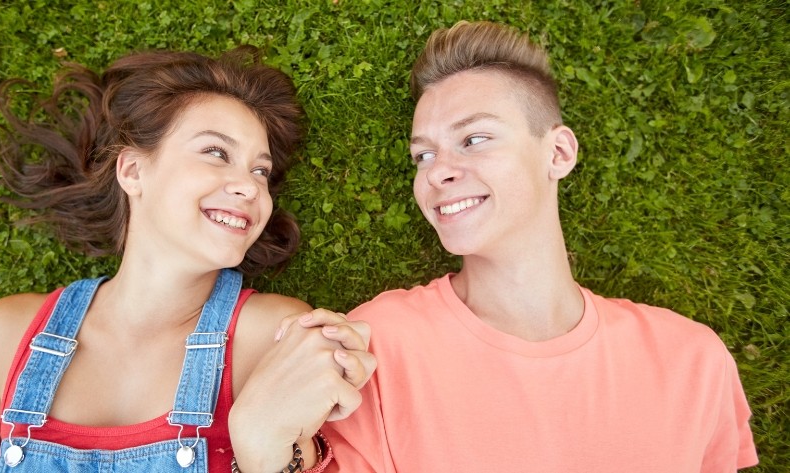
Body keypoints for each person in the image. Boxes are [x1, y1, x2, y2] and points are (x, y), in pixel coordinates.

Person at [0, 47, 375, 473]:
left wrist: (265, 444)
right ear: (133, 170)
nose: (250, 187)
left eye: (260, 170)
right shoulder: (7, 336)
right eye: (216, 153)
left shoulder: (274, 334)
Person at [321, 20, 758, 472]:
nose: (436, 172)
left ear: (558, 153)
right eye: (424, 155)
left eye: (474, 139)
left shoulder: (692, 360)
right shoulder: (376, 346)